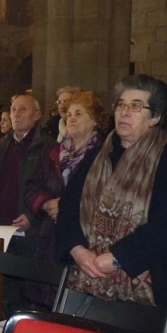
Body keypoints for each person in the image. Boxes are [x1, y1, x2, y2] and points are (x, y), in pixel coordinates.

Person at [56, 74, 167, 333]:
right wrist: (79, 251)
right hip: (87, 285)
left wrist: (115, 258)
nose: (125, 112)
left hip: (145, 297)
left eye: (136, 106)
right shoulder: (97, 154)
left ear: (156, 116)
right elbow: (68, 210)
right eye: (121, 104)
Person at [24, 91, 108, 307]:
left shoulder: (104, 155)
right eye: (69, 114)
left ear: (96, 120)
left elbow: (105, 195)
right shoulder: (54, 152)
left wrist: (67, 206)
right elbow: (32, 186)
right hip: (50, 236)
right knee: (47, 299)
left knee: (73, 304)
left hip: (84, 238)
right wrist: (46, 203)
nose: (70, 118)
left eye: (79, 113)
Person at [0, 94, 57, 317]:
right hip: (2, 226)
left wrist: (32, 217)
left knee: (30, 289)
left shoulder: (47, 146)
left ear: (37, 115)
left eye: (23, 109)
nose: (16, 114)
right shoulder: (4, 143)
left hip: (30, 229)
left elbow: (51, 191)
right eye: (13, 109)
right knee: (3, 287)